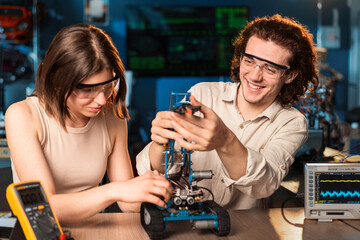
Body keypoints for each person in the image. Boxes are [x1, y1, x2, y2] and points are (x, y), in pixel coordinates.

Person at [136, 14, 318, 209]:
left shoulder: (291, 123)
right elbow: (156, 171)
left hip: (244, 230)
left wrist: (224, 140)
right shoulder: (201, 94)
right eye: (249, 61)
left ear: (290, 75)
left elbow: (264, 185)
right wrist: (160, 143)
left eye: (270, 69)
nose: (255, 76)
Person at [5, 24, 172, 224]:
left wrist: (154, 191)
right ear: (57, 81)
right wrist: (116, 190)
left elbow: (127, 203)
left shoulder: (112, 117)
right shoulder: (23, 115)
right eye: (88, 90)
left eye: (108, 86)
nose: (102, 100)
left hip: (94, 231)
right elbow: (45, 208)